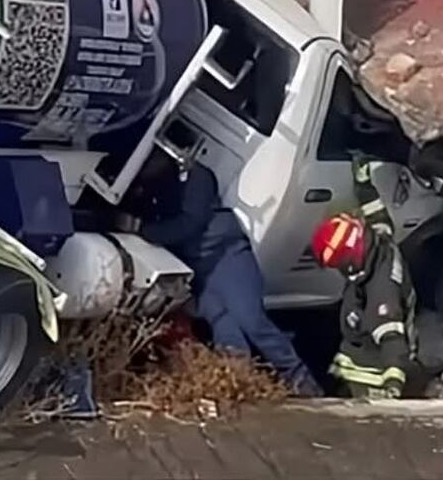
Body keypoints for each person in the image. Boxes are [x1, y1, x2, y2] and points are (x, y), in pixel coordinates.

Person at [119, 149, 323, 397]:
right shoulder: (146, 188)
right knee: (225, 329)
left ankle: (302, 382)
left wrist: (143, 230)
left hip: (226, 256)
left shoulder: (197, 177)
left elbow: (190, 223)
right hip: (199, 269)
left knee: (252, 321)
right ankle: (241, 384)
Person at [311, 212, 416, 399]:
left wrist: (393, 381)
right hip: (355, 355)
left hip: (369, 376)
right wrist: (363, 184)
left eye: (339, 264)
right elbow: (378, 214)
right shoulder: (377, 243)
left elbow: (391, 334)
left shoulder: (382, 289)